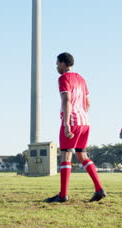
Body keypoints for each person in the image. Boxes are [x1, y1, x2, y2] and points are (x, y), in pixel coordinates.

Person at [46, 52, 106, 203]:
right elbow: (88, 103)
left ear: (63, 63)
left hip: (72, 121)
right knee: (82, 155)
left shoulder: (63, 78)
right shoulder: (81, 79)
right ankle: (99, 189)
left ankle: (63, 195)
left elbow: (67, 100)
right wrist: (81, 115)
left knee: (66, 155)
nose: (56, 66)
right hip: (85, 122)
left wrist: (67, 124)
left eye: (57, 63)